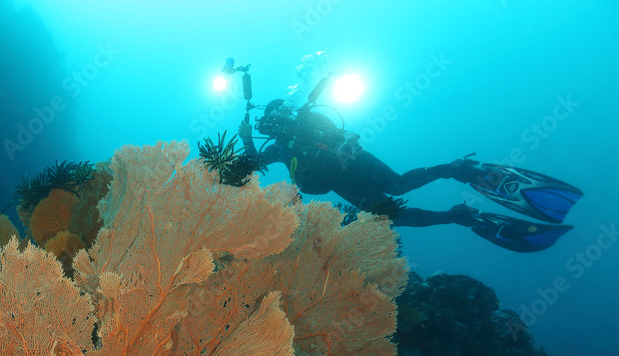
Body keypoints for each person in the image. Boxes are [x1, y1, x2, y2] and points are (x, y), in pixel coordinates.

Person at [236, 79, 582, 251]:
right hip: (352, 167)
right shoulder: (292, 134)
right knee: (397, 192)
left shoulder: (292, 134)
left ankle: (457, 206)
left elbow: (252, 162)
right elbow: (254, 163)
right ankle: (456, 179)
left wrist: (247, 137)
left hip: (346, 175)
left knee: (394, 208)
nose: (276, 123)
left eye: (274, 120)